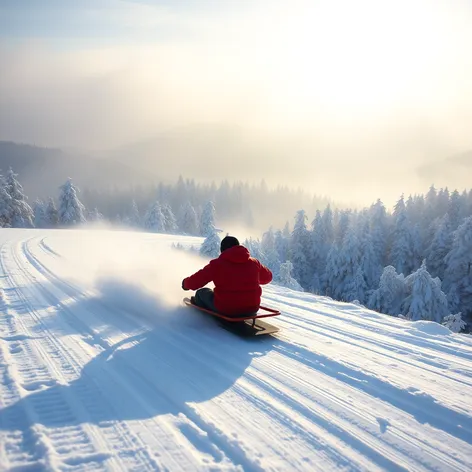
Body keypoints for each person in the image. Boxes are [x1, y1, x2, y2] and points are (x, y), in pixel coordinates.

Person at [182, 235, 272, 316]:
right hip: (252, 308)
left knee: (201, 293)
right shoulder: (254, 262)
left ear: (222, 250)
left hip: (227, 309)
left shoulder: (217, 264)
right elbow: (268, 278)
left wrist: (185, 284)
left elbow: (198, 279)